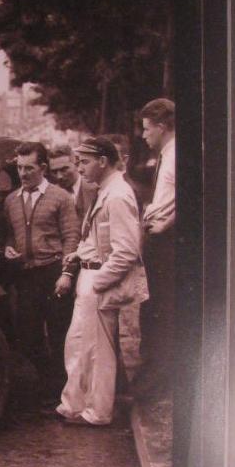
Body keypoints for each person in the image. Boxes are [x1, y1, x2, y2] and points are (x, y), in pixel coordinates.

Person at [54, 135, 147, 426]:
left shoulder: (117, 195)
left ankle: (97, 412)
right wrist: (79, 255)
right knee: (81, 345)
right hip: (90, 273)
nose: (79, 168)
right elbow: (99, 238)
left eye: (84, 162)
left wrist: (98, 281)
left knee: (97, 351)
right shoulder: (106, 191)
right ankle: (76, 405)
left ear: (103, 161)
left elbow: (127, 250)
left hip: (98, 279)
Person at [2, 141, 79, 409]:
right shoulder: (11, 200)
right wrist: (8, 247)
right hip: (26, 276)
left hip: (54, 272)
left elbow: (71, 237)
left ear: (43, 168)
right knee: (28, 335)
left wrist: (67, 274)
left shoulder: (61, 198)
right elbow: (11, 233)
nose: (23, 174)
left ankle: (60, 389)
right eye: (19, 168)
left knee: (59, 333)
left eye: (29, 168)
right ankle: (48, 379)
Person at [138, 97, 176, 397]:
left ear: (162, 127)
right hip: (156, 235)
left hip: (166, 242)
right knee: (151, 305)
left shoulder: (176, 156)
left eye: (147, 128)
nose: (143, 135)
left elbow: (192, 197)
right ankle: (151, 374)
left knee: (161, 308)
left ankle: (158, 380)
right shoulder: (167, 155)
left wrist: (167, 224)